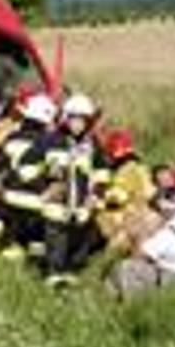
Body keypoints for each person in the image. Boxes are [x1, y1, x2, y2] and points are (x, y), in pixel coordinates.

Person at [43, 92, 108, 285]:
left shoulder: (92, 145)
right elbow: (40, 166)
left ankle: (71, 271)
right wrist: (46, 188)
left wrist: (96, 194)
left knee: (79, 235)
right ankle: (54, 273)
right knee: (56, 235)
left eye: (82, 120)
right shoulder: (53, 140)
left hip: (81, 201)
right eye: (74, 119)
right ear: (66, 118)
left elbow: (102, 172)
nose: (78, 124)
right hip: (57, 202)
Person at [109, 186, 175, 299]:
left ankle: (135, 306)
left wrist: (137, 235)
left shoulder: (167, 235)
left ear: (164, 211)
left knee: (127, 267)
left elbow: (138, 255)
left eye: (156, 211)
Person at [0, 93, 58, 262]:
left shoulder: (13, 138)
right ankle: (33, 263)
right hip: (37, 202)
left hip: (11, 198)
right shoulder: (50, 145)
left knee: (7, 235)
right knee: (36, 241)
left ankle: (2, 256)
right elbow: (55, 175)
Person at [96, 129, 158, 254]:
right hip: (147, 218)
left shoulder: (124, 172)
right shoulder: (141, 168)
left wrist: (98, 200)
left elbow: (116, 198)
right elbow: (150, 193)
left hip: (129, 221)